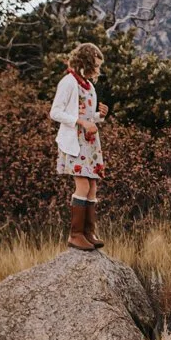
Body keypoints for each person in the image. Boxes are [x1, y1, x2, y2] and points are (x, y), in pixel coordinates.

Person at [49, 43, 109, 251]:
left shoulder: (88, 85)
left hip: (89, 142)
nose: (97, 69)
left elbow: (86, 115)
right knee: (82, 185)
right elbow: (55, 112)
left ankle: (88, 233)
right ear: (86, 62)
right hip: (75, 141)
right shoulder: (68, 82)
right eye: (96, 64)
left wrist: (99, 116)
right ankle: (75, 235)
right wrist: (81, 123)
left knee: (92, 186)